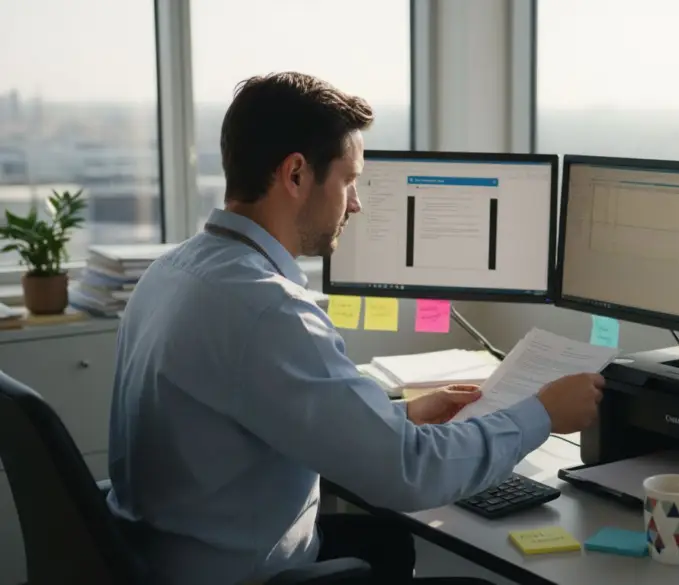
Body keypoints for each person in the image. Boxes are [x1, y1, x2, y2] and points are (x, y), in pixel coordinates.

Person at [104, 71, 604, 585]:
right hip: (247, 576)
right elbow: (410, 474)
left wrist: (403, 413)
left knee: (387, 542)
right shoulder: (269, 309)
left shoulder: (171, 272)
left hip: (168, 559)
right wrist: (542, 414)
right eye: (349, 180)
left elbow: (260, 408)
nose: (357, 202)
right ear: (296, 175)